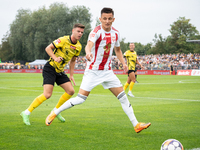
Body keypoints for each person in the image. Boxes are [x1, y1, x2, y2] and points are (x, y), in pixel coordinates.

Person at [45, 7, 151, 133]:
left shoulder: (116, 33)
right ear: (100, 19)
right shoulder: (96, 32)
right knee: (80, 99)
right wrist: (88, 53)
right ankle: (55, 112)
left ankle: (136, 125)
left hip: (107, 71)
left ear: (113, 19)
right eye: (104, 19)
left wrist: (123, 63)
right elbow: (88, 45)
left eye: (109, 19)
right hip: (93, 71)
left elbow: (117, 50)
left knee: (123, 97)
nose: (107, 21)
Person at [20, 23, 85, 125]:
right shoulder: (63, 40)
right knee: (47, 94)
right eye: (78, 31)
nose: (80, 34)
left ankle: (55, 111)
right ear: (73, 31)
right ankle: (26, 112)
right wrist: (55, 58)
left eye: (82, 32)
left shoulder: (78, 46)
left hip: (60, 71)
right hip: (50, 68)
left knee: (71, 91)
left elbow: (73, 61)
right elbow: (48, 48)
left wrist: (71, 75)